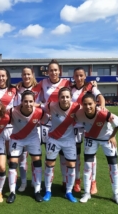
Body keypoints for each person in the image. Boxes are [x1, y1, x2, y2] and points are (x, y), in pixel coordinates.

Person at [75, 92, 118, 206]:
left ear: (95, 103)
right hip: (90, 139)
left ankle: (115, 194)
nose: (88, 107)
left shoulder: (103, 113)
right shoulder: (79, 113)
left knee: (113, 166)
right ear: (82, 105)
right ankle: (87, 193)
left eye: (90, 104)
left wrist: (112, 136)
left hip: (107, 139)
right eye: (85, 104)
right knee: (87, 166)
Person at [37, 59, 72, 194]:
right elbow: (33, 95)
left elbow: (78, 92)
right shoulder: (42, 83)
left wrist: (92, 86)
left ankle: (64, 181)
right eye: (51, 70)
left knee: (64, 156)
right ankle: (47, 186)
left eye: (55, 70)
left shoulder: (67, 83)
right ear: (48, 71)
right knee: (49, 156)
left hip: (64, 124)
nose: (53, 72)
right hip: (47, 124)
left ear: (59, 71)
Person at [8, 90, 49, 203]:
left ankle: (37, 190)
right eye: (25, 101)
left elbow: (46, 120)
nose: (28, 104)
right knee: (13, 163)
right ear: (21, 102)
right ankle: (12, 192)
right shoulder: (12, 111)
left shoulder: (39, 112)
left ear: (34, 101)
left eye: (31, 101)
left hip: (32, 139)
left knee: (37, 162)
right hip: (17, 139)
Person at [70, 67, 105, 195]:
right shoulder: (71, 89)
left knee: (91, 155)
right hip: (76, 126)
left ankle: (93, 182)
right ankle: (77, 181)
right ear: (73, 77)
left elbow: (100, 97)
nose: (79, 78)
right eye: (76, 76)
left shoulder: (91, 87)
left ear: (85, 76)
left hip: (90, 124)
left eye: (81, 75)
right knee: (77, 155)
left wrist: (102, 107)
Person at [43, 87, 80, 203]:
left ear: (71, 98)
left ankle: (69, 191)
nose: (65, 99)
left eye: (67, 97)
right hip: (54, 140)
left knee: (71, 165)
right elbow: (38, 107)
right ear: (58, 98)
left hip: (69, 141)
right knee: (50, 164)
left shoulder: (77, 107)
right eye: (62, 97)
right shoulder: (51, 106)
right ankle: (48, 190)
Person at [14, 66, 43, 192]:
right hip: (20, 126)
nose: (26, 76)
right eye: (24, 74)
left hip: (34, 126)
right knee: (22, 158)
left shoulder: (39, 87)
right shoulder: (17, 88)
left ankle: (35, 182)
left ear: (32, 75)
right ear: (21, 75)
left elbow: (45, 103)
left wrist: (36, 105)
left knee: (35, 157)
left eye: (28, 74)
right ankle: (24, 182)